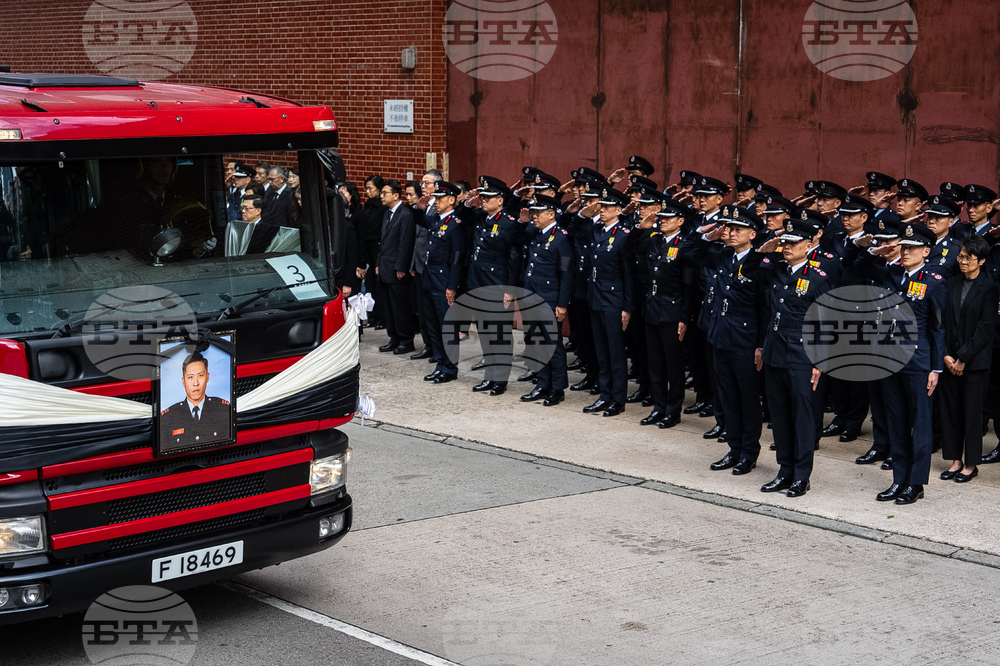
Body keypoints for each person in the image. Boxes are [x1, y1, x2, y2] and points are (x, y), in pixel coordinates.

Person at [741, 214, 834, 498]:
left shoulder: (817, 278)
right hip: (775, 353)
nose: (787, 247)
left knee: (802, 417)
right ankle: (784, 470)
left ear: (808, 245)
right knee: (779, 415)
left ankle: (801, 476)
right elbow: (746, 271)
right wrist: (761, 250)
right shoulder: (777, 270)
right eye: (785, 242)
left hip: (802, 355)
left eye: (793, 243)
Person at [856, 223, 946, 505]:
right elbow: (859, 266)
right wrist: (875, 251)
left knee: (919, 423)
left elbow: (938, 327)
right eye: (903, 247)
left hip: (918, 360)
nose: (905, 252)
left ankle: (915, 483)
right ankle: (899, 479)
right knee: (895, 420)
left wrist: (936, 367)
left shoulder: (934, 281)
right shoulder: (891, 274)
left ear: (926, 251)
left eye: (912, 248)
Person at [696, 205, 767, 475]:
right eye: (729, 227)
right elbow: (691, 255)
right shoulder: (722, 256)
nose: (731, 232)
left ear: (753, 233)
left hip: (745, 341)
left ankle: (749, 453)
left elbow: (765, 309)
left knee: (747, 399)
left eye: (738, 228)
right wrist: (707, 236)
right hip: (719, 336)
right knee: (726, 396)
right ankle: (733, 448)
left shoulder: (760, 263)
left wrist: (760, 344)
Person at [625, 196, 693, 428]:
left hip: (672, 311)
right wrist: (639, 228)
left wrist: (684, 317)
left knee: (673, 366)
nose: (662, 221)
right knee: (654, 362)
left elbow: (688, 286)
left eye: (667, 218)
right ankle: (658, 406)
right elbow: (629, 248)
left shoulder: (684, 245)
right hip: (652, 308)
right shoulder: (654, 240)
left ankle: (673, 411)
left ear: (680, 220)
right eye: (660, 218)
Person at [939, 236, 998, 482]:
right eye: (961, 256)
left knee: (972, 413)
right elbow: (941, 321)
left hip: (974, 363)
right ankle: (955, 460)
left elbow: (986, 327)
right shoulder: (951, 283)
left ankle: (970, 464)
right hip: (950, 360)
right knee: (951, 411)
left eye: (969, 258)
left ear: (981, 261)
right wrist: (946, 355)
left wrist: (963, 357)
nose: (963, 262)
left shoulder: (989, 287)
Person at [571, 186, 632, 417]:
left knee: (615, 353)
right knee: (601, 351)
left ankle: (618, 398)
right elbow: (573, 229)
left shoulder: (624, 235)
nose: (602, 210)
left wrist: (627, 306)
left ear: (618, 210)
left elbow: (628, 275)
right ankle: (604, 395)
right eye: (601, 207)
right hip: (595, 297)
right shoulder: (596, 230)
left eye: (607, 207)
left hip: (613, 300)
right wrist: (581, 214)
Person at [461, 175, 520, 396]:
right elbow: (462, 215)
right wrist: (469, 202)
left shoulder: (508, 223)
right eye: (482, 197)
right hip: (478, 283)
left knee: (500, 336)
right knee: (485, 334)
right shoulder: (480, 217)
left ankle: (500, 380)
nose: (483, 200)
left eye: (487, 197)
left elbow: (513, 258)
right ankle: (489, 376)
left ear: (500, 200)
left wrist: (509, 289)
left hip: (497, 286)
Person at [518, 194, 573, 406]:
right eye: (534, 212)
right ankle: (542, 383)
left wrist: (562, 304)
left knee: (552, 345)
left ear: (552, 214)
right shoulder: (536, 234)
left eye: (538, 213)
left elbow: (566, 274)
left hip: (550, 299)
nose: (534, 216)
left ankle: (557, 388)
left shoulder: (561, 237)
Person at [417, 181, 464, 384]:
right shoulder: (436, 219)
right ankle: (440, 362)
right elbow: (421, 220)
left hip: (444, 280)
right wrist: (418, 208)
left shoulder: (455, 224)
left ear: (452, 200)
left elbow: (457, 258)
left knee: (447, 326)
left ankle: (450, 367)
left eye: (440, 198)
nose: (436, 202)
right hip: (430, 278)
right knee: (433, 325)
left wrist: (452, 286)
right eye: (435, 198)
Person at [375, 179, 416, 355]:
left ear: (396, 195)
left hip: (396, 268)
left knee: (400, 307)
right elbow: (383, 242)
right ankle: (394, 337)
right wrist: (378, 263)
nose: (381, 196)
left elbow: (405, 243)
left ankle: (406, 340)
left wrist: (401, 266)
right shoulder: (387, 214)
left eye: (385, 193)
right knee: (389, 306)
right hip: (385, 266)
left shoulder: (405, 215)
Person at [160, 352, 232, 448]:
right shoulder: (168, 418)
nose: (196, 383)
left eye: (200, 375)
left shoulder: (224, 410)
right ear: (183, 381)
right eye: (190, 377)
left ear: (207, 377)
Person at [405, 180, 433, 360]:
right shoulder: (421, 207)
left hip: (432, 267)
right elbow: (415, 241)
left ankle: (436, 347)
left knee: (432, 311)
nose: (423, 185)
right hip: (419, 265)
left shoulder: (438, 208)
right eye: (422, 182)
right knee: (422, 309)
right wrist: (413, 264)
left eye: (428, 183)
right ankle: (427, 344)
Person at [356, 175, 388, 329]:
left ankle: (382, 318)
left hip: (378, 246)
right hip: (367, 246)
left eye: (371, 188)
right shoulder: (367, 205)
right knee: (369, 283)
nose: (368, 192)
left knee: (378, 282)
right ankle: (372, 317)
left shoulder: (382, 207)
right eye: (366, 188)